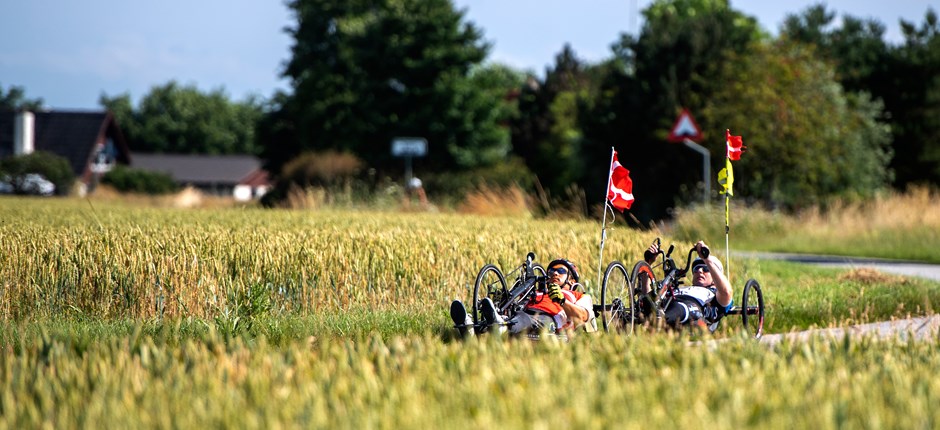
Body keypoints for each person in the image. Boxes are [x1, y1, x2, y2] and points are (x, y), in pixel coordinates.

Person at [450, 258, 597, 337]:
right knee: (513, 313)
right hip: (523, 312)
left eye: (560, 271)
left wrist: (561, 300)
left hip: (548, 319)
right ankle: (470, 324)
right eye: (551, 270)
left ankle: (499, 326)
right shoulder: (539, 291)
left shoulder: (578, 295)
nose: (554, 273)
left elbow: (583, 316)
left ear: (572, 280)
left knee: (524, 318)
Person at [643, 240, 733, 330]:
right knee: (647, 300)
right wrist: (647, 264)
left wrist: (707, 258)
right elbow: (646, 295)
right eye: (696, 268)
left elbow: (727, 292)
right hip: (666, 304)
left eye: (705, 268)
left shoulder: (715, 295)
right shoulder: (681, 288)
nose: (700, 271)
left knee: (681, 308)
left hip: (691, 312)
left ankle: (659, 321)